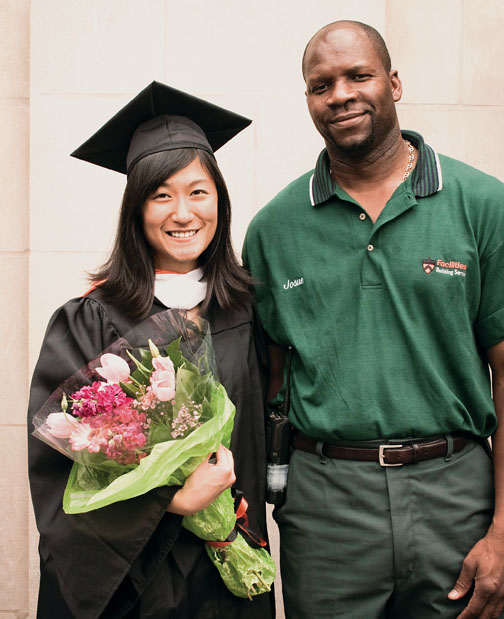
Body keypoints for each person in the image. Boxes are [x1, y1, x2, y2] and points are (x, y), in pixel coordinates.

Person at [243, 20, 504, 619]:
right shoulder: (273, 229)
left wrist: (502, 532)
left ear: (393, 82)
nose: (340, 94)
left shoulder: (482, 204)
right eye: (321, 84)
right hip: (327, 503)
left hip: (456, 493)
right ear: (308, 99)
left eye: (358, 75)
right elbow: (270, 383)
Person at [28, 81, 275, 619]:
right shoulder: (91, 318)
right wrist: (172, 503)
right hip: (138, 589)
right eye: (161, 195)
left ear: (220, 202)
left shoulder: (247, 313)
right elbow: (57, 469)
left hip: (226, 570)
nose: (182, 213)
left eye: (198, 191)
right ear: (137, 210)